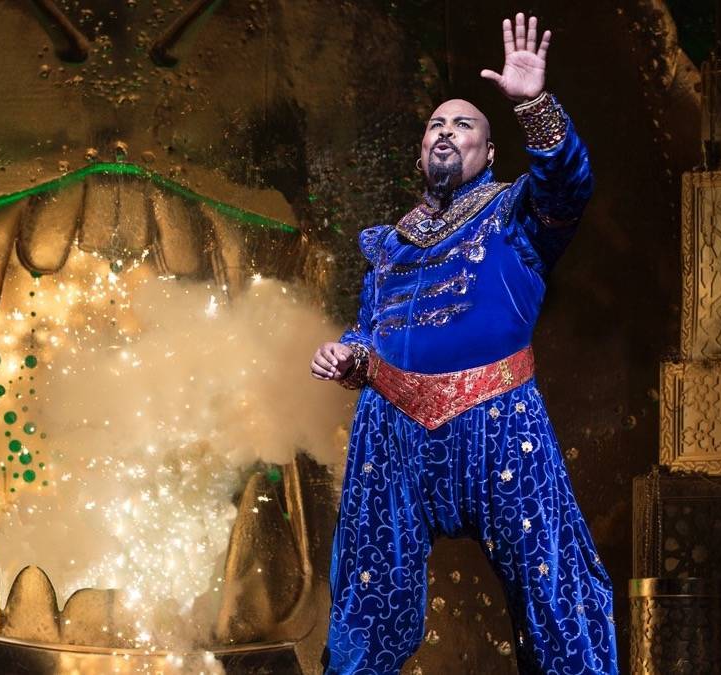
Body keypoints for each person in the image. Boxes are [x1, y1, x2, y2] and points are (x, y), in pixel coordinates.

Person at [309, 13, 618, 675]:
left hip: (498, 420)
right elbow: (374, 328)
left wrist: (531, 102)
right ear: (422, 152)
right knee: (365, 600)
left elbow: (568, 183)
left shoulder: (517, 216)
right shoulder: (390, 246)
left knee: (557, 596)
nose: (445, 131)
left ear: (487, 153)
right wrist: (351, 356)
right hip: (393, 432)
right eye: (435, 125)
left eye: (464, 124)